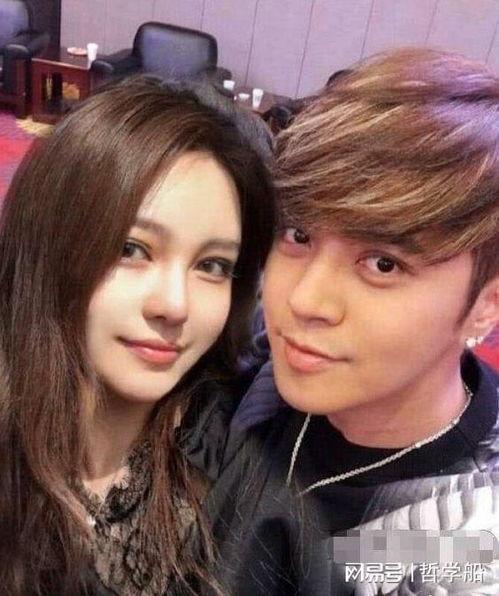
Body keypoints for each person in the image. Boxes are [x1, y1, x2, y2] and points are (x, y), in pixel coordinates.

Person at [201, 48, 499, 595]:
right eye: (298, 235)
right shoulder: (264, 355)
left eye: (383, 264)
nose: (305, 300)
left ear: (487, 304)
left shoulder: (460, 539)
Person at [0, 76, 275, 595]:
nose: (174, 305)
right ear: (51, 243)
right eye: (132, 249)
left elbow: (350, 553)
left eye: (213, 265)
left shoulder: (233, 449)